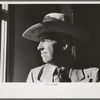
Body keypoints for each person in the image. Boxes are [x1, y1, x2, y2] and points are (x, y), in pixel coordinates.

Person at [22, 12, 100, 82]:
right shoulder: (34, 76)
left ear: (64, 45)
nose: (39, 47)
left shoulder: (93, 75)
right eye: (40, 41)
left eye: (45, 41)